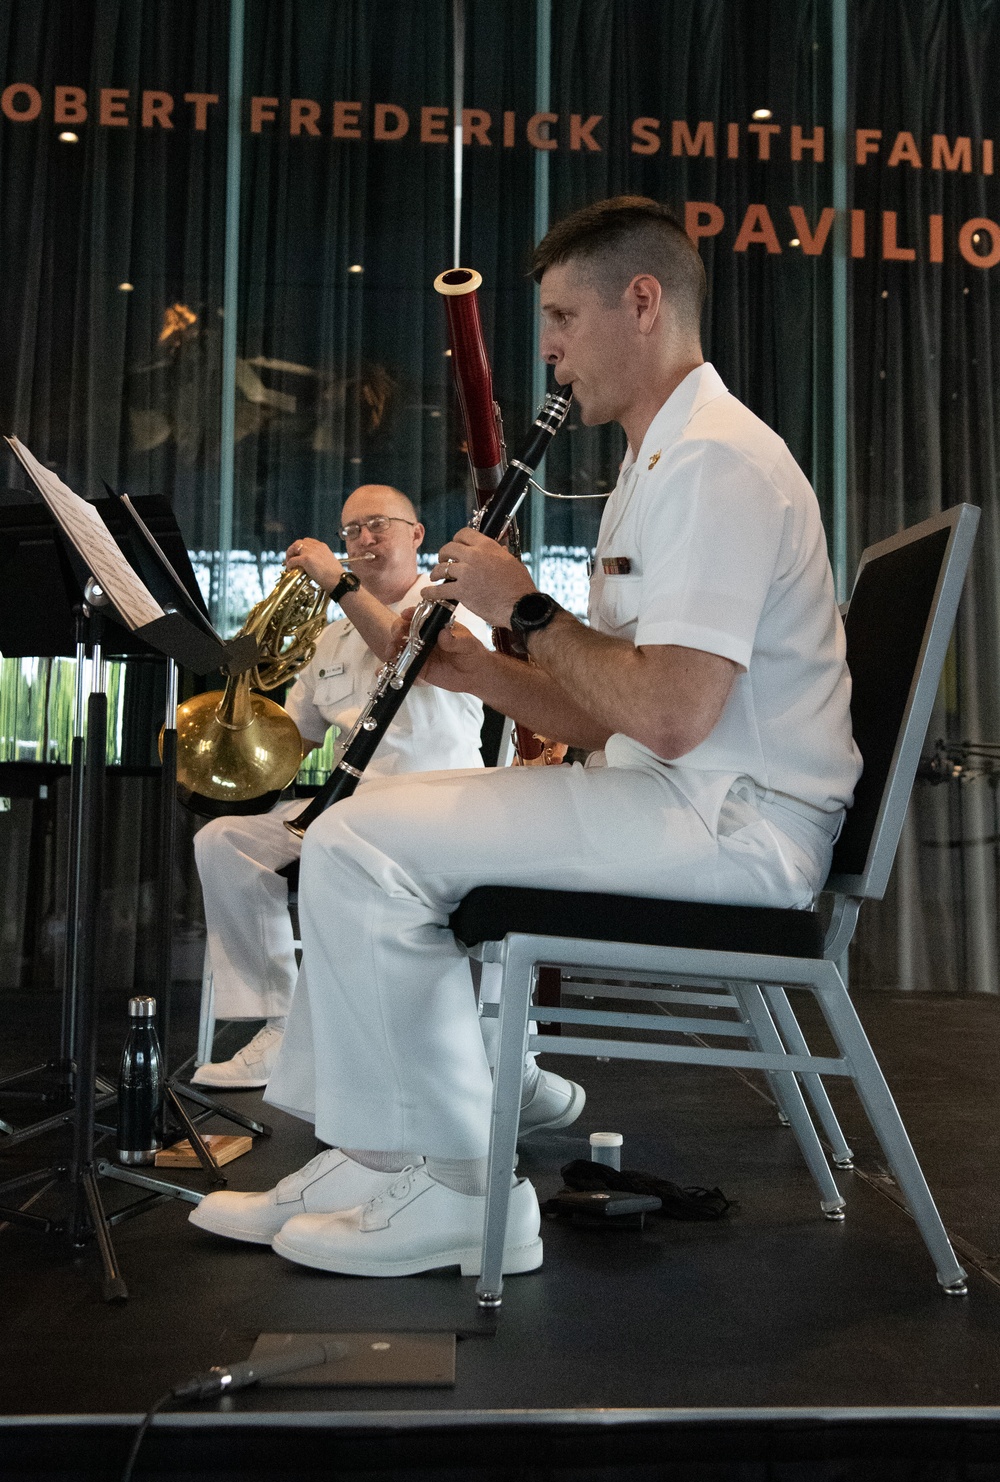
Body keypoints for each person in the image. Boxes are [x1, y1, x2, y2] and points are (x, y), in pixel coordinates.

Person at [190, 197, 862, 1278]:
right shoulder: (656, 463)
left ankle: (463, 1190)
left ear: (640, 302)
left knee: (363, 847)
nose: (544, 349)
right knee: (355, 828)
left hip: (735, 824)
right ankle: (379, 1151)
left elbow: (671, 715)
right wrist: (480, 667)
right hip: (677, 792)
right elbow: (608, 711)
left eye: (558, 317)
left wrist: (525, 610)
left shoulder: (717, 463)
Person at [190, 483, 494, 1088]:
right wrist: (234, 706)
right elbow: (289, 743)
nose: (363, 539)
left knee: (335, 846)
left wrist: (337, 583)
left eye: (378, 524)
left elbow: (404, 653)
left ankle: (370, 1044)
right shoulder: (327, 640)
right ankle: (281, 1025)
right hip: (349, 812)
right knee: (223, 840)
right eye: (352, 530)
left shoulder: (454, 610)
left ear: (417, 536)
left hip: (439, 808)